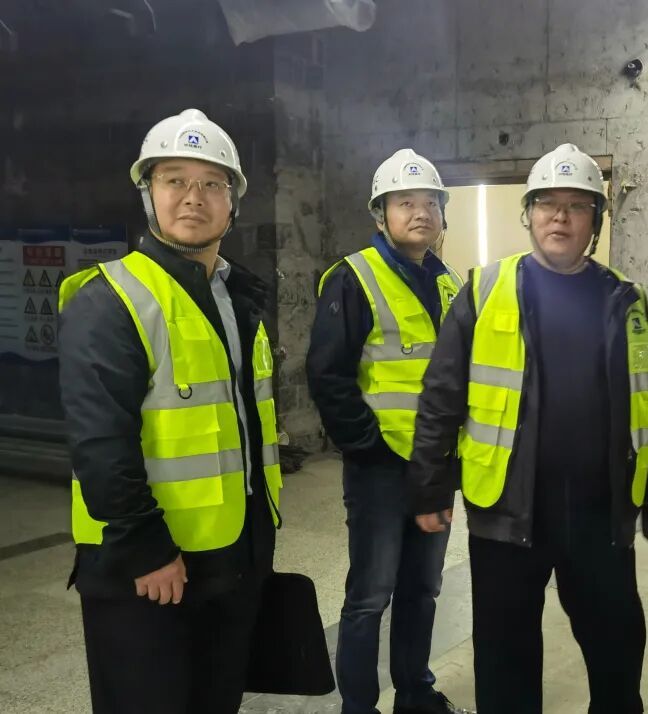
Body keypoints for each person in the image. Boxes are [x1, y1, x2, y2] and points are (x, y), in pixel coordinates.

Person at [407, 143, 648, 714]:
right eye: (548, 204)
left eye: (577, 206)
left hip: (600, 511)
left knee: (618, 647)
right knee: (505, 657)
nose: (561, 217)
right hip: (508, 509)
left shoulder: (626, 299)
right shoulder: (484, 290)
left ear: (596, 221)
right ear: (527, 214)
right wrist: (429, 487)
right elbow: (441, 396)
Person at [58, 108, 282, 713]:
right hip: (148, 569)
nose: (193, 197)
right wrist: (145, 549)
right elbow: (100, 442)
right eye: (174, 179)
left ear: (233, 202)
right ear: (148, 193)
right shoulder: (111, 301)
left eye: (212, 183)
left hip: (231, 557)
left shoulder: (237, 298)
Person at [306, 149, 470, 714]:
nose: (421, 212)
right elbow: (328, 376)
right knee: (370, 595)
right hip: (380, 470)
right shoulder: (353, 278)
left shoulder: (448, 282)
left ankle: (415, 693)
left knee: (423, 589)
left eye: (430, 203)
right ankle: (359, 706)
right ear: (381, 214)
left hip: (436, 468)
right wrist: (367, 448)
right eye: (405, 203)